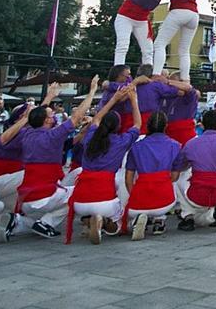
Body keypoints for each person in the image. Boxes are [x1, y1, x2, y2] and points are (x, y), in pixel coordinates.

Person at [0, 81, 98, 242]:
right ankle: (46, 222)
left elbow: (35, 116)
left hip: (25, 198)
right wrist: (92, 91)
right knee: (82, 190)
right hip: (44, 196)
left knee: (75, 178)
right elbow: (76, 116)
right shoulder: (53, 136)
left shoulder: (27, 133)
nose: (53, 117)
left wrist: (49, 96)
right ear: (48, 121)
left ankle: (18, 222)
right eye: (51, 116)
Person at [65, 85, 141, 244]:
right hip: (104, 199)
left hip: (80, 201)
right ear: (118, 127)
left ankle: (89, 220)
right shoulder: (121, 141)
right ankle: (103, 222)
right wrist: (134, 101)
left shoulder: (90, 136)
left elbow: (96, 118)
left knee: (91, 205)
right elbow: (137, 125)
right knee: (118, 225)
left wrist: (113, 99)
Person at [123, 110, 182, 240]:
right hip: (164, 199)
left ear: (147, 125)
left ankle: (138, 218)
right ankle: (159, 220)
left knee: (137, 207)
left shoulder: (136, 147)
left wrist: (133, 195)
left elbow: (128, 177)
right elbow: (175, 177)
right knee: (173, 184)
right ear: (166, 125)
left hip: (139, 199)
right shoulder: (175, 145)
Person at [114, 0, 170, 66]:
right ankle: (118, 71)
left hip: (142, 20)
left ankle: (147, 72)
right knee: (123, 46)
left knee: (148, 50)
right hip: (125, 17)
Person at [152, 0, 199, 78]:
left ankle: (156, 75)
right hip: (194, 14)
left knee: (159, 44)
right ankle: (185, 79)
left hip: (179, 10)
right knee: (184, 50)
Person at [162, 78, 200, 147]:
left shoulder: (190, 96)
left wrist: (168, 81)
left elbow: (189, 88)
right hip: (169, 134)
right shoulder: (170, 95)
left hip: (185, 136)